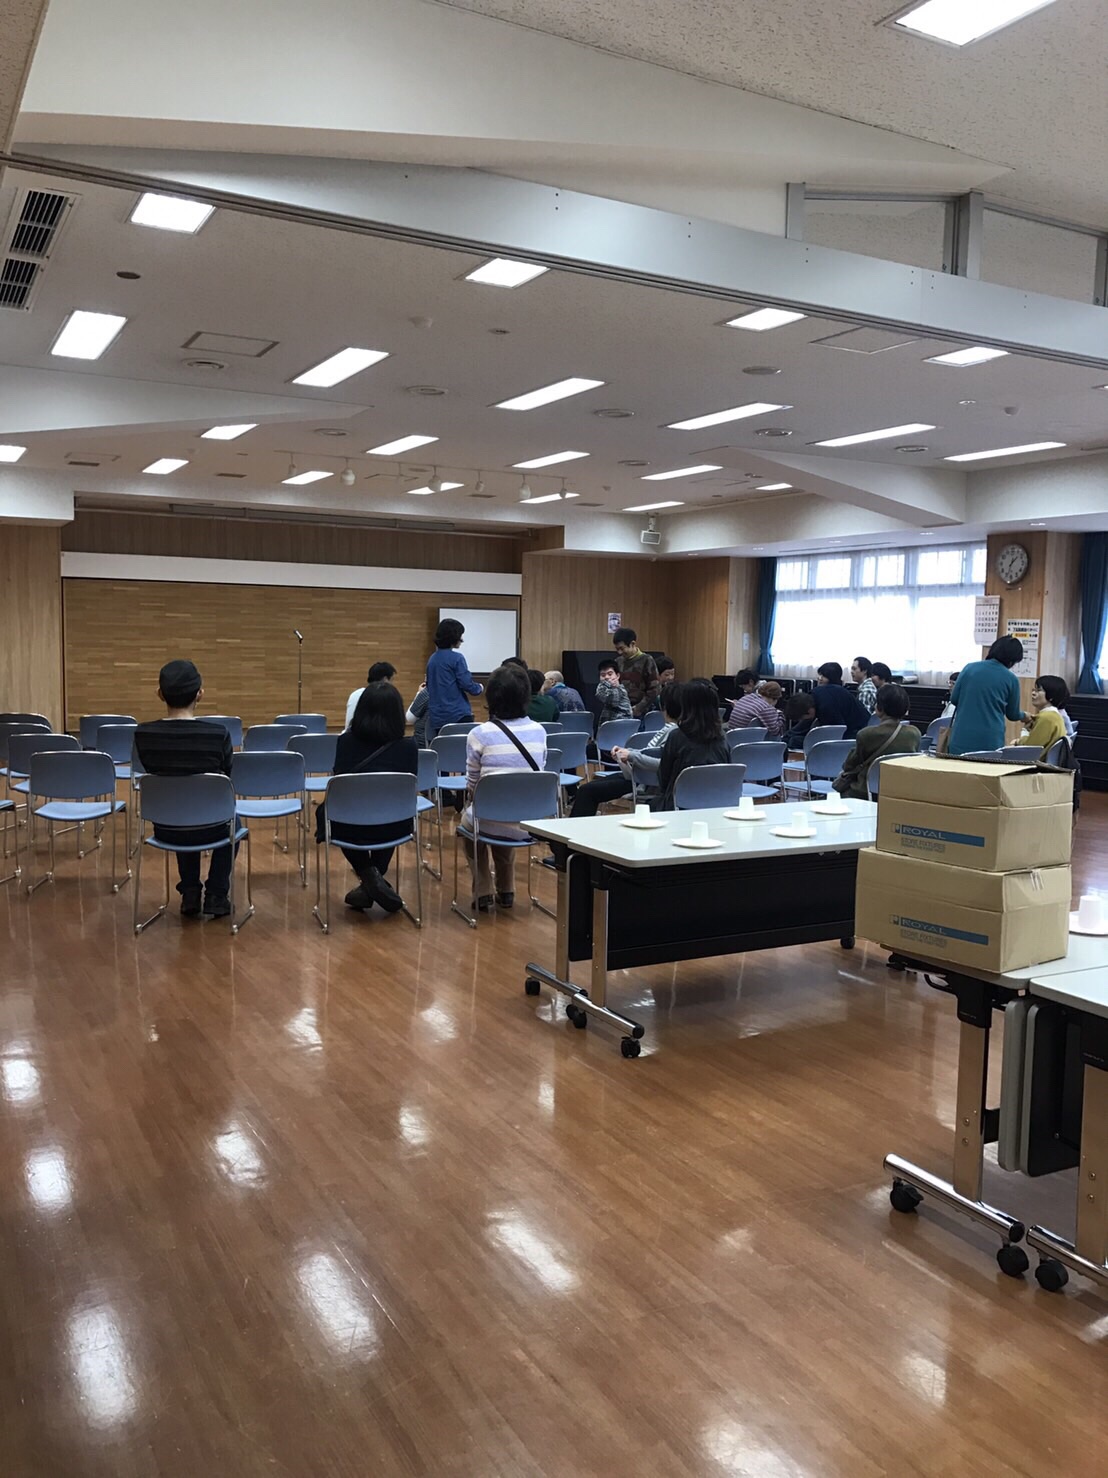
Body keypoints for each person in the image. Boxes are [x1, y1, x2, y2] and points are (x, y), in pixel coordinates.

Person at [133, 659, 236, 918]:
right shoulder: (218, 734)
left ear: (160, 694)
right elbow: (228, 776)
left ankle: (190, 892)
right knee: (232, 820)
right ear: (200, 693)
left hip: (166, 828)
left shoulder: (143, 735)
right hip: (213, 827)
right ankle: (217, 894)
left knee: (180, 803)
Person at [317, 682, 418, 913]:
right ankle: (375, 879)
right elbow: (410, 789)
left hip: (349, 826)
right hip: (396, 826)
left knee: (331, 813)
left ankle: (369, 877)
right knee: (388, 810)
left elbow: (340, 785)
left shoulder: (345, 743)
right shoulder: (409, 747)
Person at [462, 665, 547, 911]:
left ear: (491, 697)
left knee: (473, 824)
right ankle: (507, 889)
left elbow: (473, 785)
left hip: (490, 819)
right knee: (506, 814)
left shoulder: (479, 734)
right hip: (530, 822)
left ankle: (483, 890)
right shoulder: (539, 731)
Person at [570, 681, 683, 818]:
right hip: (638, 775)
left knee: (587, 791)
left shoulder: (674, 732)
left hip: (643, 781)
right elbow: (650, 754)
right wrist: (627, 753)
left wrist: (630, 755)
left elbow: (663, 764)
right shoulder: (673, 729)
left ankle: (574, 829)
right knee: (587, 789)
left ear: (664, 706)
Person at [833, 684, 921, 800]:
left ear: (879, 708)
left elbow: (849, 765)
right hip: (898, 791)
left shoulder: (866, 734)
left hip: (865, 791)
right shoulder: (914, 733)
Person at [657, 679, 730, 810]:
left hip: (679, 805)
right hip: (718, 804)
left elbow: (663, 778)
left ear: (685, 706)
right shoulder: (722, 737)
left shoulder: (676, 736)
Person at [948, 636, 1024, 756]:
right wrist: (1025, 715)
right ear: (1012, 660)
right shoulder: (1011, 679)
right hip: (990, 740)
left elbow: (954, 699)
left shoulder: (969, 668)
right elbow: (1013, 714)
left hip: (961, 737)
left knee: (958, 767)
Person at [426, 618, 483, 740]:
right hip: (458, 715)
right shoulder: (457, 658)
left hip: (437, 718)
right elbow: (467, 684)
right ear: (453, 637)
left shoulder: (432, 659)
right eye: (460, 635)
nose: (462, 640)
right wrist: (479, 688)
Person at [812, 662, 870, 738]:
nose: (820, 678)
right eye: (819, 674)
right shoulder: (839, 691)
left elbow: (836, 728)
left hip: (853, 734)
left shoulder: (829, 697)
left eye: (824, 676)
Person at [612, 627, 660, 718]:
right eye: (617, 649)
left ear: (632, 644)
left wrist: (638, 708)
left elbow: (655, 689)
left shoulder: (647, 660)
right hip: (622, 712)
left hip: (641, 713)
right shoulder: (618, 661)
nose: (619, 652)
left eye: (622, 648)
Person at [1018, 675, 1069, 759]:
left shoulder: (1047, 718)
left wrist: (1023, 734)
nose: (1033, 693)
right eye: (1033, 690)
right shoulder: (1054, 715)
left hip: (1036, 764)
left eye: (1038, 690)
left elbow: (1028, 751)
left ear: (1051, 696)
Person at [726, 669, 784, 736]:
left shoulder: (745, 698)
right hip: (747, 739)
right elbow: (776, 731)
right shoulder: (765, 707)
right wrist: (780, 714)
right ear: (775, 699)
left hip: (731, 738)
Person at [345, 660, 397, 729]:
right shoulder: (383, 697)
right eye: (392, 680)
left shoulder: (355, 694)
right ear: (385, 679)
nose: (392, 684)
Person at [595, 658, 633, 725]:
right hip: (610, 726)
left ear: (617, 676)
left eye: (610, 674)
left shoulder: (620, 690)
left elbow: (611, 699)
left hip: (622, 725)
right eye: (603, 675)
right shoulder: (605, 688)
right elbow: (600, 694)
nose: (606, 677)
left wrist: (607, 684)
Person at [405, 682, 430, 747]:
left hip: (423, 743)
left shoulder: (427, 692)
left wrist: (419, 694)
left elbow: (410, 718)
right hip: (448, 745)